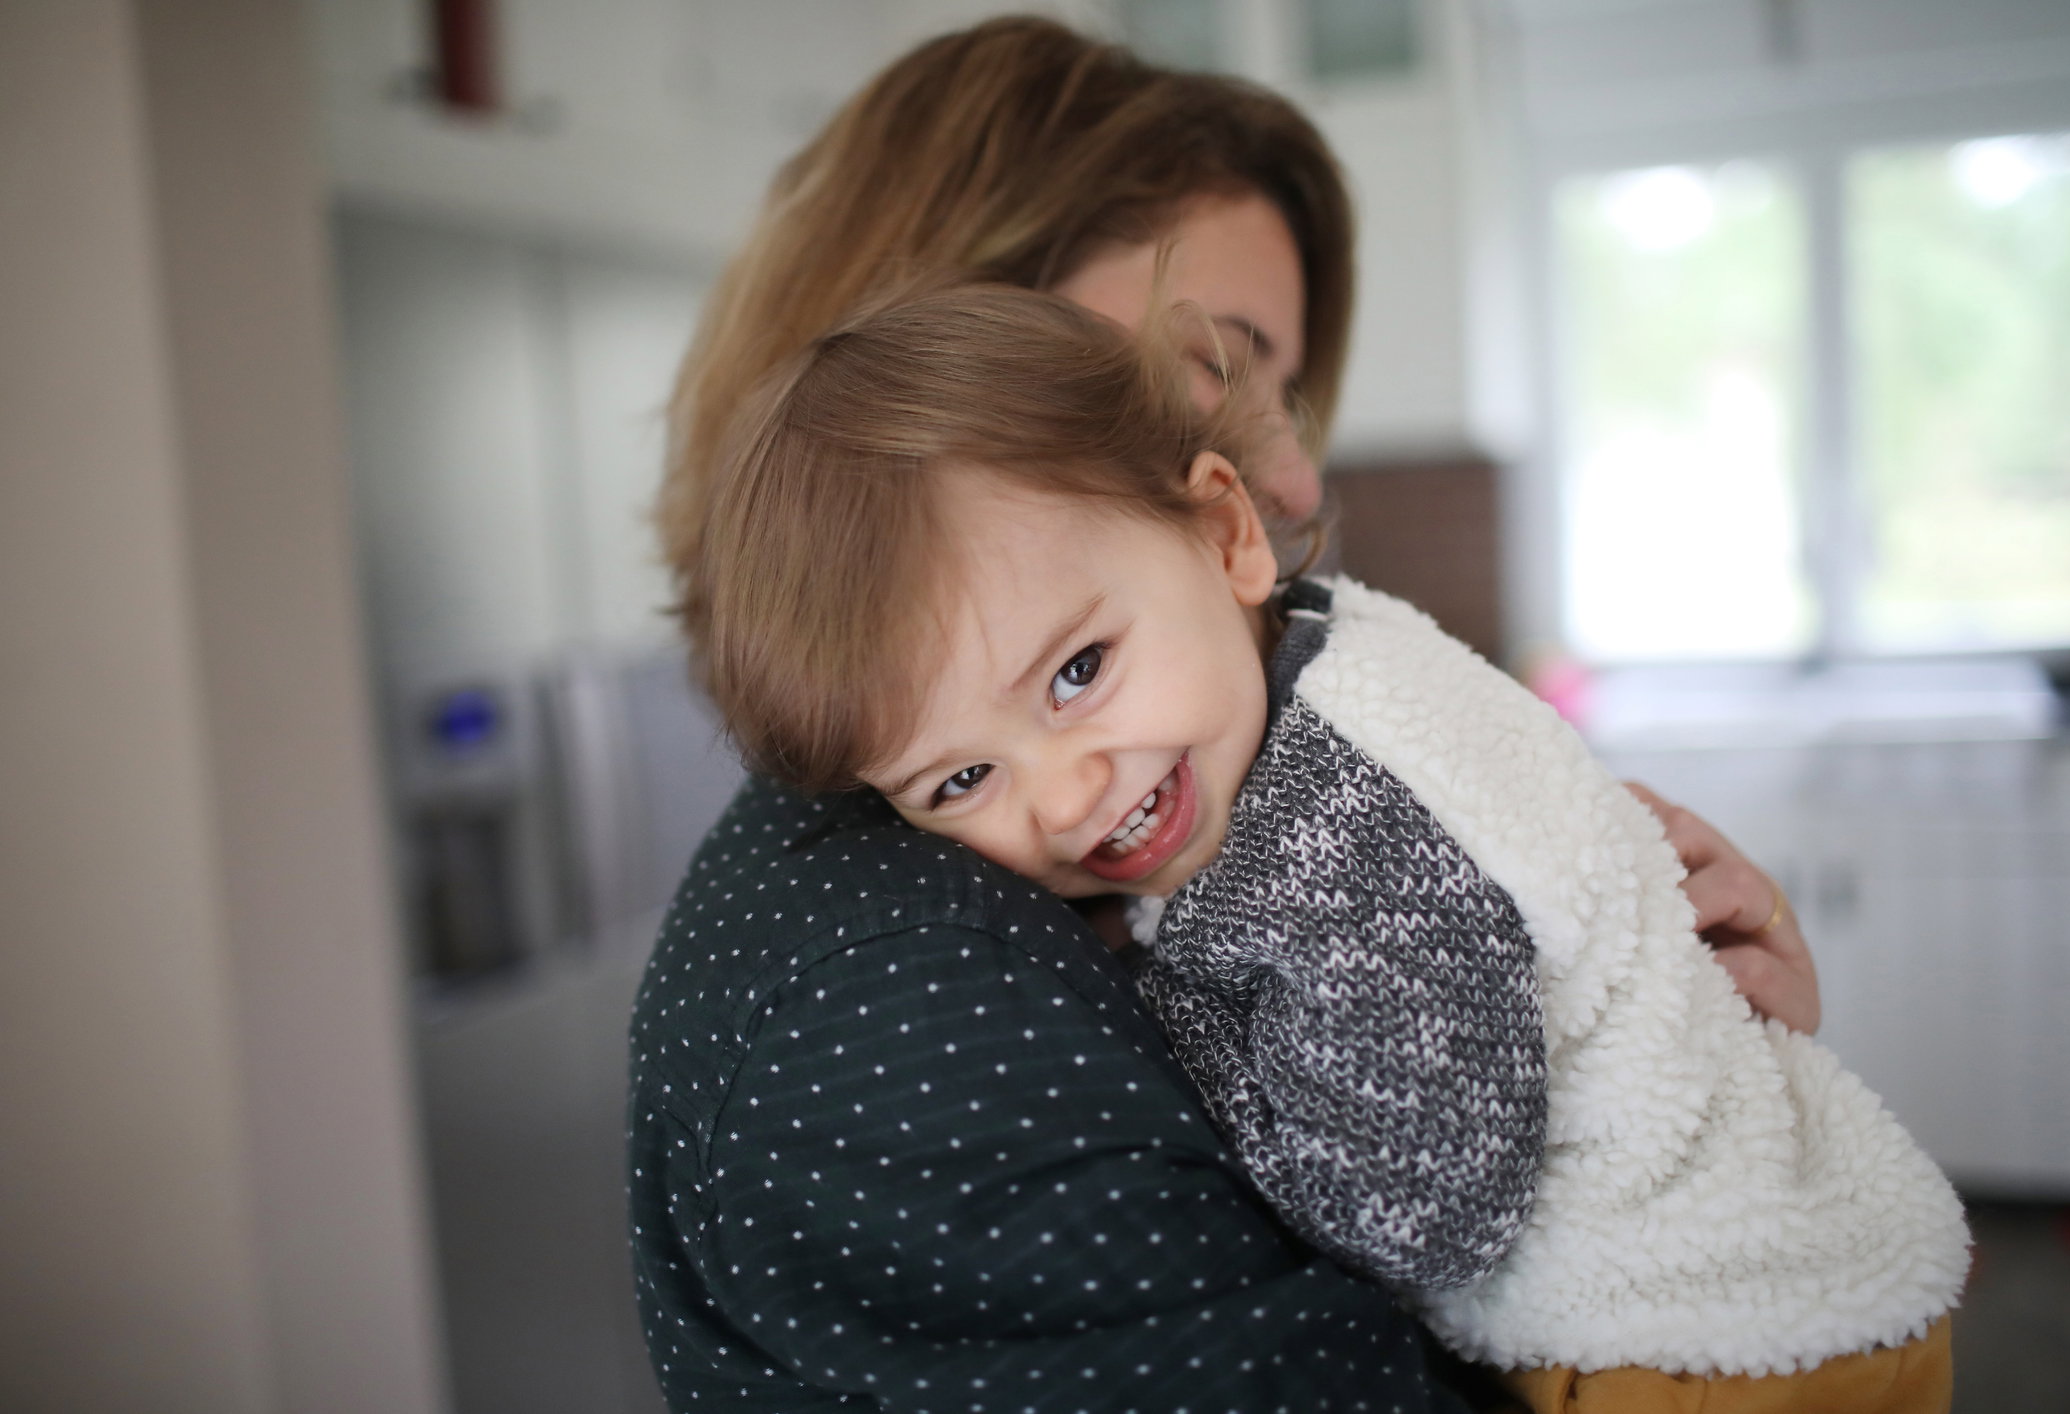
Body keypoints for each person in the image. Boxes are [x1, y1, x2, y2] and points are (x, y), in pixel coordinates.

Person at [632, 16, 1816, 1409]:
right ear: (945, 357)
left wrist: (1674, 1088)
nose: (1299, 479)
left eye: (1292, 391)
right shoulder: (891, 994)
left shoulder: (1162, 825)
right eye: (1226, 358)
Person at [687, 281, 1968, 1413]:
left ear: (1227, 534)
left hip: (1705, 1348)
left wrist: (1182, 1047)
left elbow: (1422, 1219)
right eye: (962, 778)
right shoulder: (1310, 661)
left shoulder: (1333, 841)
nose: (1067, 796)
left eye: (1078, 671)